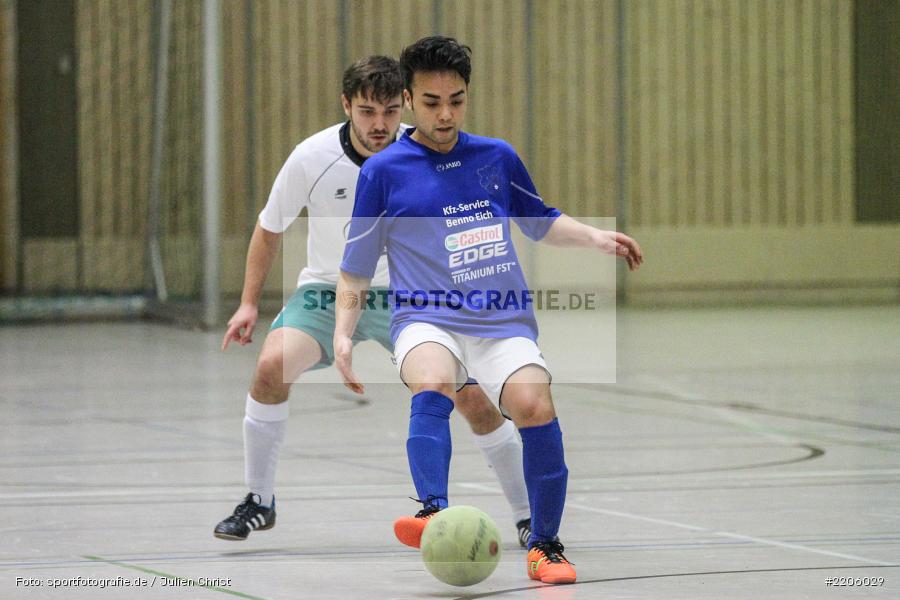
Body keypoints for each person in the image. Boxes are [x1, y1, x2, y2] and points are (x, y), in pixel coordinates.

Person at [334, 38, 643, 585]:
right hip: (425, 316)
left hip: (499, 318)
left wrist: (595, 237)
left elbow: (540, 220)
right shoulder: (382, 171)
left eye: (456, 99)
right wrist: (343, 334)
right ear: (407, 99)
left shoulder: (495, 157)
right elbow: (356, 265)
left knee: (534, 405)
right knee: (432, 380)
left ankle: (545, 545)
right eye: (431, 102)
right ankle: (433, 510)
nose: (445, 113)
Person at [214, 55, 533, 547]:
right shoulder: (310, 157)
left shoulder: (425, 153)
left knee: (475, 401)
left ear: (404, 104)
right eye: (366, 112)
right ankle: (258, 499)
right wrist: (248, 304)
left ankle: (527, 514)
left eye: (389, 111)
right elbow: (269, 227)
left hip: (410, 294)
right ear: (347, 106)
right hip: (327, 290)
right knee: (270, 367)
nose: (379, 124)